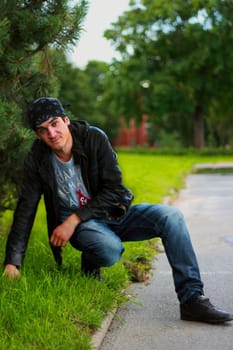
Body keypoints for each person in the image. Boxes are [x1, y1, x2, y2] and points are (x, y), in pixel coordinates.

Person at [4, 97, 233, 324]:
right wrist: (13, 262)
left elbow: (114, 189)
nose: (51, 133)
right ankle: (93, 259)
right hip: (84, 227)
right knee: (110, 250)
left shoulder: (94, 138)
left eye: (54, 124)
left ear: (66, 120)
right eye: (43, 130)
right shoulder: (37, 158)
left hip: (112, 213)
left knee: (172, 217)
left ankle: (192, 299)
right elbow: (26, 208)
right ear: (37, 134)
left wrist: (73, 218)